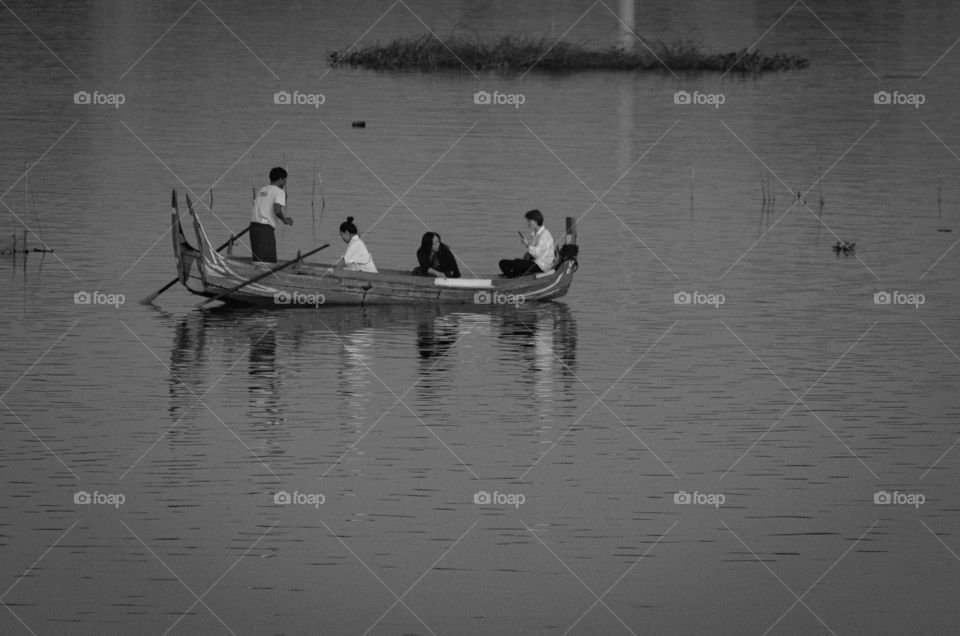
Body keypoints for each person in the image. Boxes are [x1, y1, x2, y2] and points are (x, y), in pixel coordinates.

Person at [250, 167, 293, 263]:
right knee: (269, 263)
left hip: (253, 228)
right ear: (281, 179)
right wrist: (285, 220)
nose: (285, 183)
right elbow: (277, 210)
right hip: (264, 229)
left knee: (258, 261)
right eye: (285, 180)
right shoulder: (279, 191)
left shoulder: (262, 190)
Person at [499, 209, 554, 277]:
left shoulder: (544, 234)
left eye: (529, 221)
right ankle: (513, 277)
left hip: (542, 265)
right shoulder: (535, 234)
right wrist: (528, 247)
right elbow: (534, 252)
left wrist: (527, 245)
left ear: (536, 221)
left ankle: (514, 280)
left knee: (517, 263)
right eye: (527, 221)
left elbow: (538, 253)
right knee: (503, 263)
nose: (527, 223)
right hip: (535, 262)